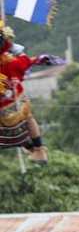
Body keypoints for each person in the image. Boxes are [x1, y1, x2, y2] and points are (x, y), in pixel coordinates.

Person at [0, 22, 55, 163]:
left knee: (16, 125)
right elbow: (25, 62)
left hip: (4, 112)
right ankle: (38, 149)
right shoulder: (11, 61)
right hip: (18, 105)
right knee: (28, 118)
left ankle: (32, 147)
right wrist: (31, 57)